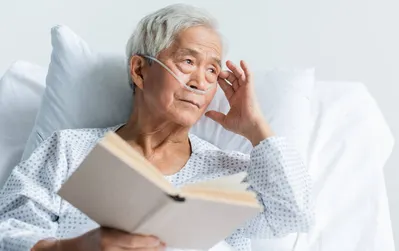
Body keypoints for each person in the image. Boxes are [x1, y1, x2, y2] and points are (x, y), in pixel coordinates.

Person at [0, 4, 313, 251]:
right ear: (139, 70)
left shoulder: (232, 175)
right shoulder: (68, 151)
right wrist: (73, 248)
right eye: (188, 62)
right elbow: (8, 232)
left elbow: (294, 215)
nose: (200, 81)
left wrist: (256, 129)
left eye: (212, 70)